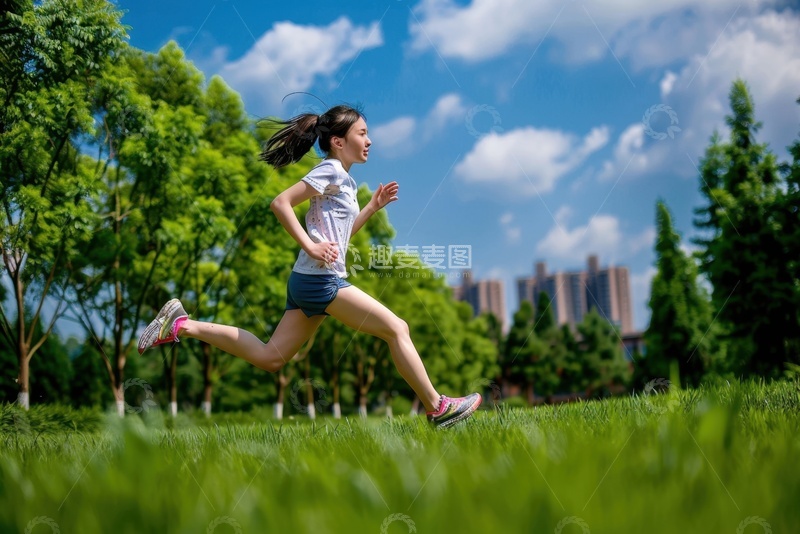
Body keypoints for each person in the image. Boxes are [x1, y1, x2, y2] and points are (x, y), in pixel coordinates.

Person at [137, 104, 481, 428]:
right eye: (362, 133)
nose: (369, 140)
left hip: (309, 280)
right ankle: (438, 407)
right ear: (338, 141)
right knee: (397, 328)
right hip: (321, 281)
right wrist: (311, 245)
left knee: (271, 357)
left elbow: (341, 237)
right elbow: (281, 203)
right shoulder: (330, 169)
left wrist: (371, 208)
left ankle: (181, 324)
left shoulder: (344, 180)